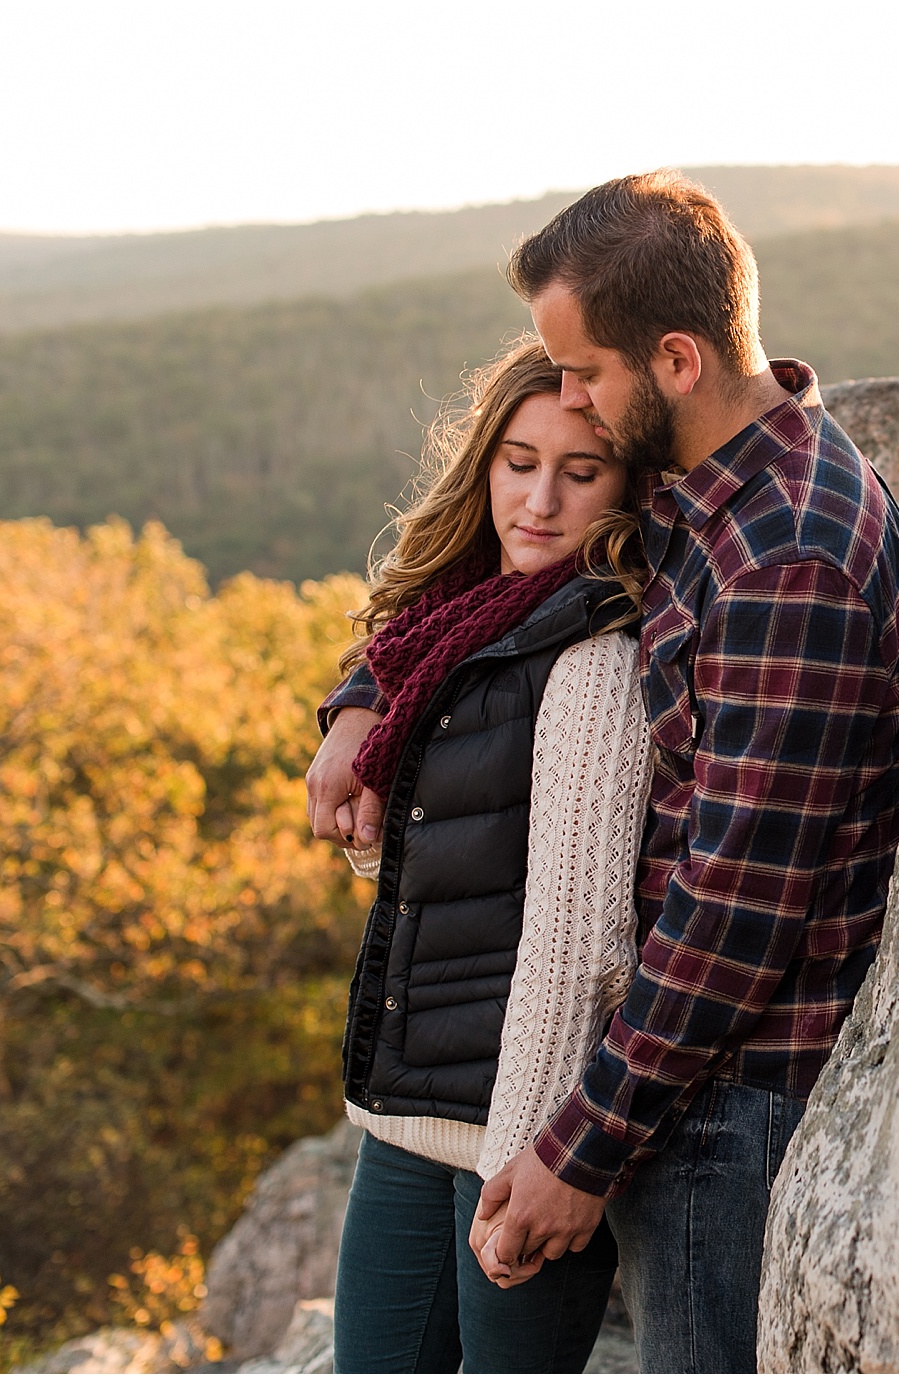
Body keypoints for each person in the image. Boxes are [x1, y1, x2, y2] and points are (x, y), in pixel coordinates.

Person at [313, 169, 899, 1371]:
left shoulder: (785, 556)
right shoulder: (715, 493)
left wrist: (577, 1145)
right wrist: (359, 699)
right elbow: (481, 599)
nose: (574, 401)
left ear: (678, 361)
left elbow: (737, 907)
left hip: (728, 1101)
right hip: (667, 1086)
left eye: (589, 376)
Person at [304, 338, 654, 1372]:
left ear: (629, 489)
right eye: (516, 462)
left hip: (520, 1147)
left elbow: (578, 949)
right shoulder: (448, 630)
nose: (539, 500)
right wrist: (353, 719)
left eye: (578, 473)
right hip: (407, 1119)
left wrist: (527, 1167)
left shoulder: (594, 658)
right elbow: (432, 872)